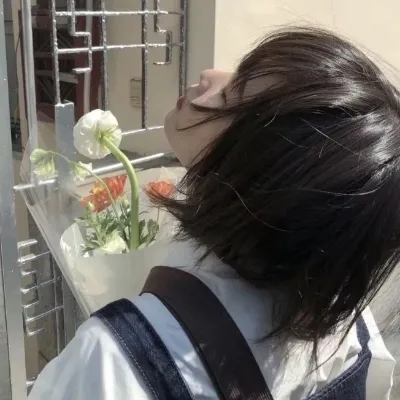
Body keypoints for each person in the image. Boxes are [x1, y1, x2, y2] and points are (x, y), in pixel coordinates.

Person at [29, 27, 398, 399]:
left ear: (262, 175)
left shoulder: (117, 362)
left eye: (231, 93)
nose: (208, 75)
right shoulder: (352, 327)